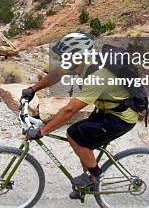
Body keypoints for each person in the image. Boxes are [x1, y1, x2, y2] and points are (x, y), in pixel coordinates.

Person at [21, 32, 137, 198]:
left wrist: (43, 131)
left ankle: (94, 175)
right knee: (82, 136)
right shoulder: (81, 63)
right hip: (106, 109)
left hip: (121, 117)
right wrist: (33, 89)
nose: (62, 60)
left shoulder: (98, 74)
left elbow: (70, 109)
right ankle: (87, 184)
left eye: (65, 56)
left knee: (75, 134)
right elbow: (57, 74)